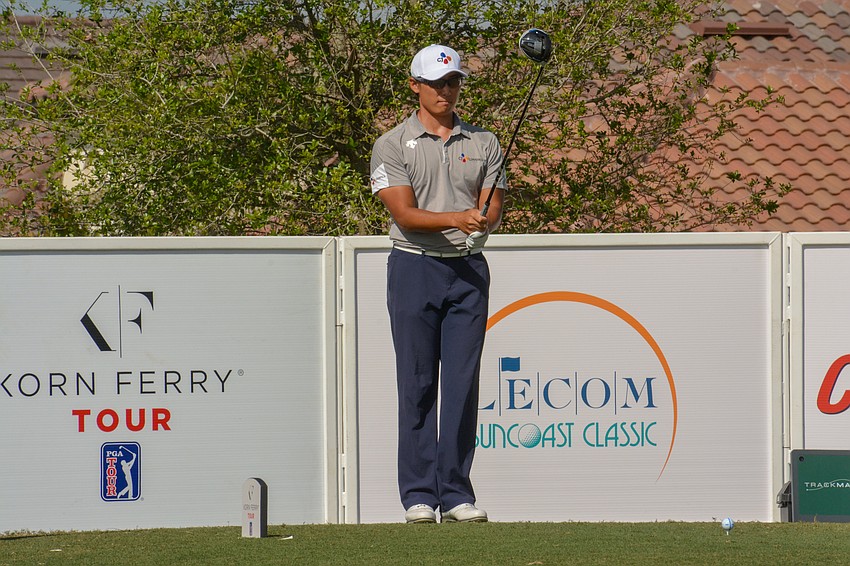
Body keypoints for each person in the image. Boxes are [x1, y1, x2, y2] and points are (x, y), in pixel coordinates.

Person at [370, 44, 506, 524]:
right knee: (418, 382)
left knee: (462, 385)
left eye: (452, 82)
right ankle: (419, 495)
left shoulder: (485, 142)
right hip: (414, 268)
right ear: (415, 86)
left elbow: (493, 206)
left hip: (468, 270)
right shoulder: (391, 144)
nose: (446, 91)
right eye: (435, 83)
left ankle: (456, 493)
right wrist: (457, 217)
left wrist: (483, 221)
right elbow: (404, 214)